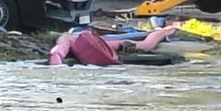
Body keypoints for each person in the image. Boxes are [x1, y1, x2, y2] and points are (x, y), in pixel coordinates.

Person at [48, 26, 176, 66]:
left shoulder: (68, 39)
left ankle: (164, 31)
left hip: (96, 44)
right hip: (100, 45)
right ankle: (165, 31)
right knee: (144, 45)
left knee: (144, 44)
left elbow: (56, 53)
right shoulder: (70, 39)